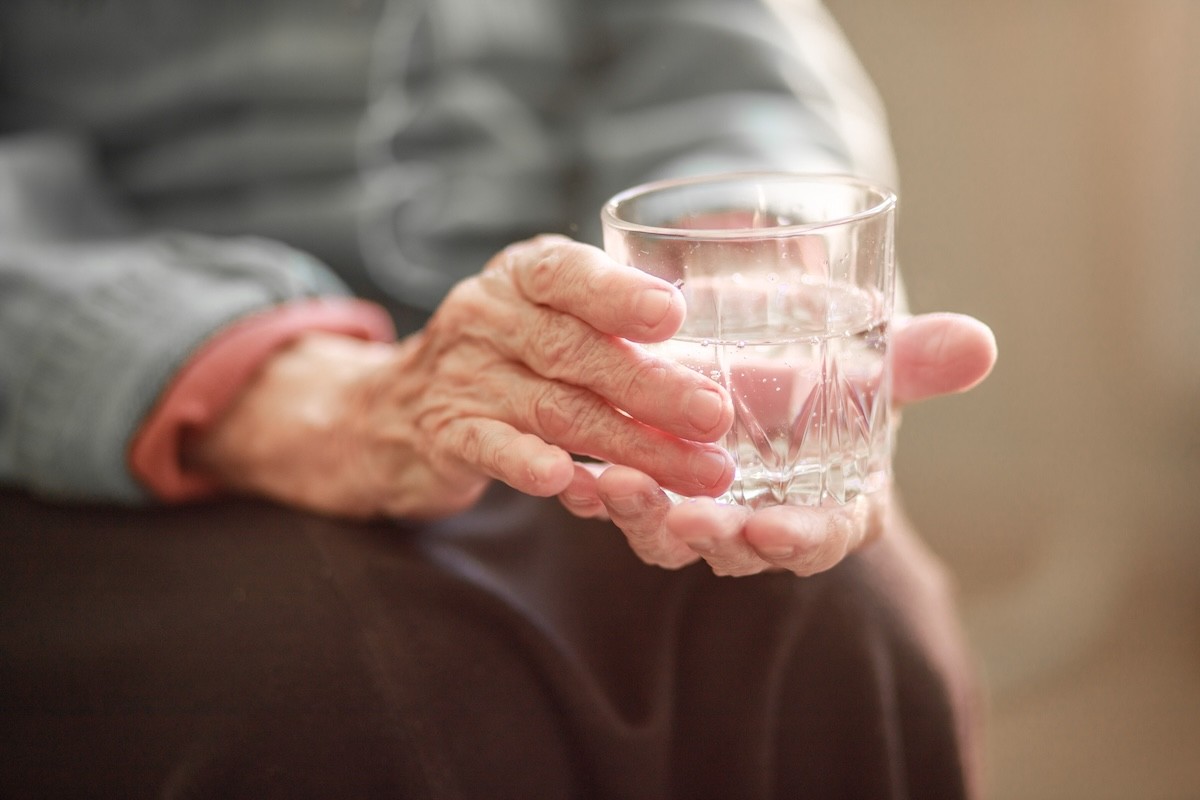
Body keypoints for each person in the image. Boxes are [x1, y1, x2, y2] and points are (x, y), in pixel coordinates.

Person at [0, 0, 996, 796]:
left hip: (556, 347)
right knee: (344, 687)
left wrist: (729, 271)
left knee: (836, 623)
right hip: (113, 363)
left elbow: (722, 59)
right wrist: (256, 383)